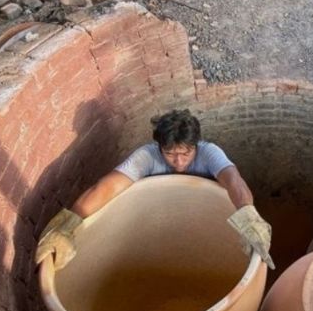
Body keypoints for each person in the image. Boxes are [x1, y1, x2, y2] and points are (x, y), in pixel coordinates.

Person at [34, 109, 275, 270]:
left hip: (203, 218)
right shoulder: (146, 156)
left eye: (185, 154)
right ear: (158, 146)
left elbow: (234, 181)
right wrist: (69, 224)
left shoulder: (209, 152)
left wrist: (248, 216)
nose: (178, 162)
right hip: (160, 219)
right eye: (169, 154)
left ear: (196, 145)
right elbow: (106, 187)